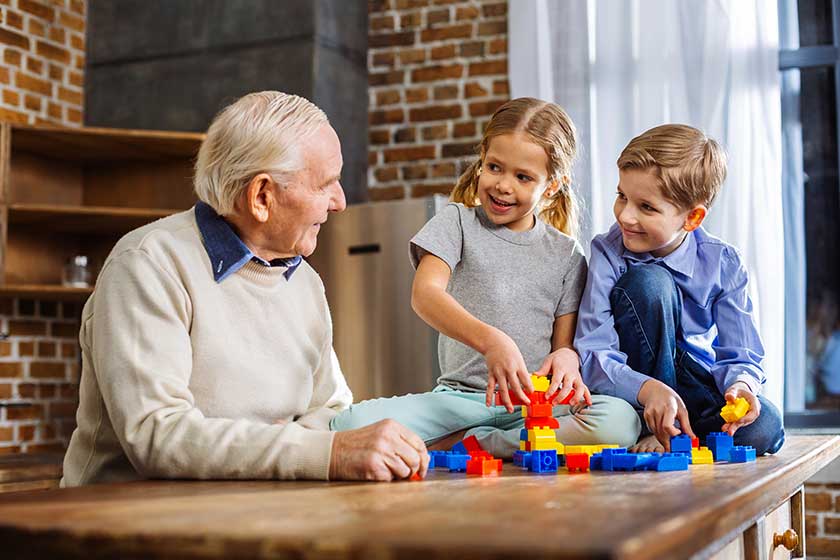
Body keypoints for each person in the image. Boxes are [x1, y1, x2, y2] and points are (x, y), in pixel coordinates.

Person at [61, 91, 429, 486]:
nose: (339, 202)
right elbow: (158, 435)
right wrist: (325, 450)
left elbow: (331, 406)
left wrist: (279, 443)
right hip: (123, 527)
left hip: (254, 513)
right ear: (262, 196)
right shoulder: (147, 263)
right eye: (327, 183)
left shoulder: (303, 281)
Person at [331, 98, 641, 457]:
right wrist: (493, 342)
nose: (503, 185)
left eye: (523, 177)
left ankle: (477, 444)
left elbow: (563, 345)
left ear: (553, 185)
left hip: (533, 407)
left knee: (621, 421)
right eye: (495, 167)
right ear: (481, 161)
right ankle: (475, 437)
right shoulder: (456, 222)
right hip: (458, 403)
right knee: (347, 427)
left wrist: (568, 360)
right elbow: (425, 294)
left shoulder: (567, 254)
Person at [574, 124, 785, 455]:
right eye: (622, 197)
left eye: (646, 207)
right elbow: (593, 351)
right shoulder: (608, 252)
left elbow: (741, 351)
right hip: (636, 389)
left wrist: (741, 386)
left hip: (693, 382)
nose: (625, 216)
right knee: (650, 282)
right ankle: (651, 427)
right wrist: (647, 390)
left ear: (692, 218)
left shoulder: (723, 262)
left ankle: (684, 434)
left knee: (765, 427)